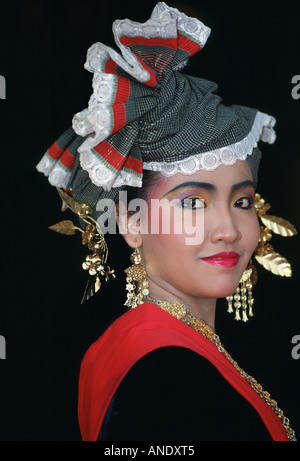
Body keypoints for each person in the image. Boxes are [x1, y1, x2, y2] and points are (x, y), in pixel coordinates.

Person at [36, 2, 297, 441]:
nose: (229, 230)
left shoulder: (141, 346)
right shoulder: (165, 375)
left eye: (243, 202)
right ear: (132, 223)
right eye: (193, 203)